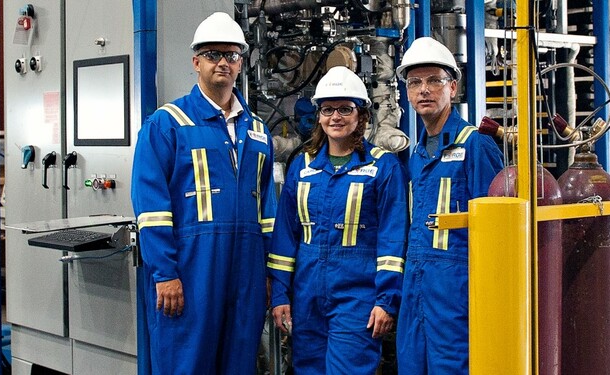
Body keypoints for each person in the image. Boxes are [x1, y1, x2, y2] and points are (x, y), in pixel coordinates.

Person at [130, 12, 277, 375]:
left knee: (240, 361)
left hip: (247, 270)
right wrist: (165, 273)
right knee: (186, 361)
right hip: (191, 270)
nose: (222, 62)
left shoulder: (257, 131)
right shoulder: (167, 124)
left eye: (231, 55)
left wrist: (271, 272)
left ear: (242, 63)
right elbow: (151, 208)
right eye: (213, 55)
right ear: (196, 62)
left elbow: (268, 207)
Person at [268, 66, 409, 374]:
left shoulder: (383, 168)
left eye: (346, 109)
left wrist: (386, 301)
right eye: (328, 109)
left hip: (357, 299)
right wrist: (279, 294)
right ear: (318, 116)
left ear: (361, 116)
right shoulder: (303, 168)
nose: (336, 117)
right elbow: (284, 237)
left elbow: (392, 240)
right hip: (307, 299)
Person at [394, 37, 504, 374]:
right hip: (416, 283)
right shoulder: (418, 153)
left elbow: (494, 233)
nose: (423, 90)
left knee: (453, 366)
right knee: (411, 365)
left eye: (433, 81)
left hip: (457, 288)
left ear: (452, 88)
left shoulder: (476, 146)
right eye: (415, 82)